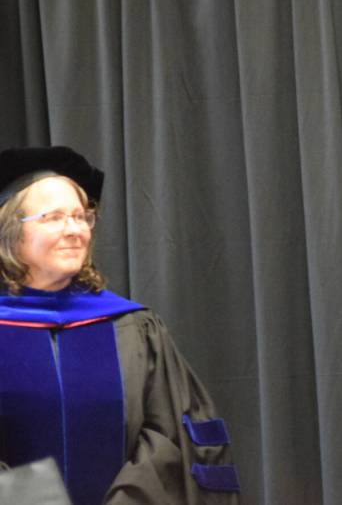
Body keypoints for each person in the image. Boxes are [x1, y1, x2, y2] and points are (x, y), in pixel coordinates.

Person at [0, 145, 240, 504]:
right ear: (8, 231)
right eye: (53, 218)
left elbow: (170, 434)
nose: (74, 230)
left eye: (81, 216)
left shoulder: (130, 327)